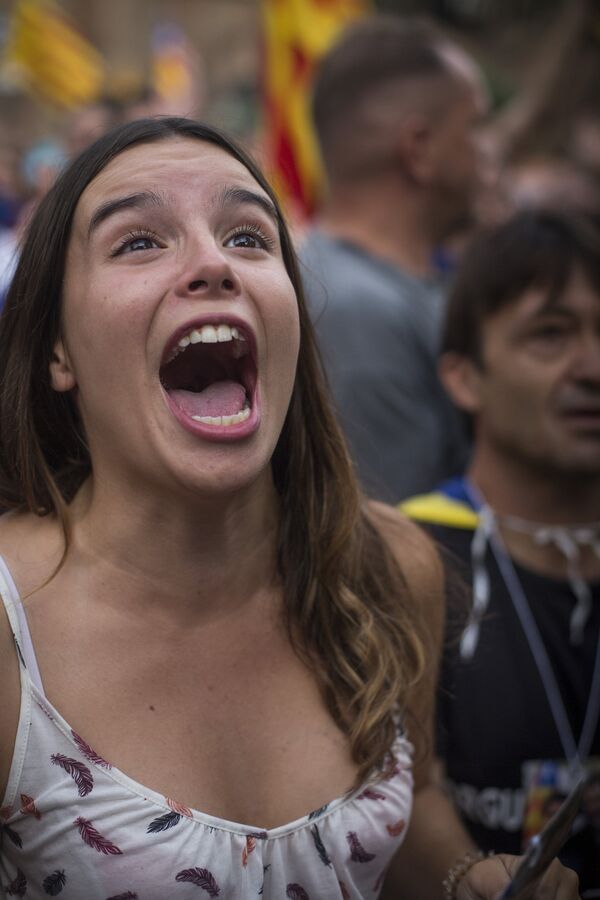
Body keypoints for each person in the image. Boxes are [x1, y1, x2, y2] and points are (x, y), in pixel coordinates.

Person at [0, 118, 577, 900]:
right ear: (57, 352)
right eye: (138, 242)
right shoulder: (10, 632)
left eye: (248, 237)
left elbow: (412, 806)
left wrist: (459, 875)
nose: (212, 264)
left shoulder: (388, 567)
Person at [402, 209, 600, 895]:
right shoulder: (405, 556)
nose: (592, 367)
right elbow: (392, 792)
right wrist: (466, 878)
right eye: (551, 335)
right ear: (464, 378)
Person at [300, 15, 487, 502]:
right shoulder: (358, 310)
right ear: (419, 148)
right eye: (475, 127)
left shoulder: (376, 284)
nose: (489, 152)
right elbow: (397, 545)